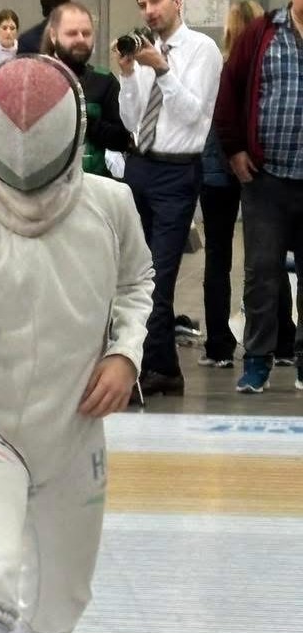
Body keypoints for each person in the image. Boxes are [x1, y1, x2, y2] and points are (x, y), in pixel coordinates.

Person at [0, 56, 153, 633]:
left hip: (71, 431)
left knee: (60, 602)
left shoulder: (110, 205)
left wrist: (125, 353)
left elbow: (135, 281)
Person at [116, 0, 222, 398]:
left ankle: (153, 368)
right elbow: (132, 120)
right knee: (132, 275)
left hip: (177, 172)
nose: (148, 11)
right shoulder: (146, 48)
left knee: (157, 279)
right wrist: (129, 76)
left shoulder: (201, 50)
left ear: (178, 2)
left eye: (156, 1)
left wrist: (161, 69)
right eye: (141, 4)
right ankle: (163, 369)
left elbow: (194, 113)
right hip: (139, 165)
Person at [213, 0, 303, 393]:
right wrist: (234, 150)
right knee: (262, 272)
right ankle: (256, 361)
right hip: (266, 180)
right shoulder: (262, 32)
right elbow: (229, 89)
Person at [42, 2, 131, 177]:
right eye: (72, 33)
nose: (80, 39)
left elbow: (122, 139)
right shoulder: (34, 79)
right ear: (54, 35)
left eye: (86, 33)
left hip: (92, 186)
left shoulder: (104, 81)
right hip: (45, 189)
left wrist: (85, 121)